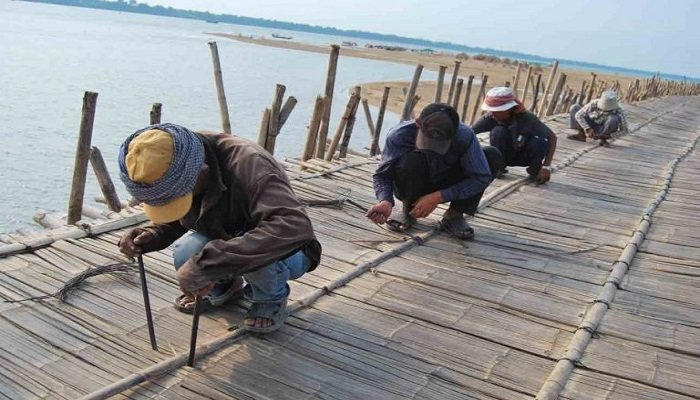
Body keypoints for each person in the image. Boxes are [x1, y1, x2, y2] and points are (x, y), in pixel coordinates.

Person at [117, 123, 321, 334]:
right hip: (224, 233)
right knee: (185, 251)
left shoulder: (251, 165)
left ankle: (270, 299)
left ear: (202, 172)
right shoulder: (183, 157)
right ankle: (224, 287)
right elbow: (180, 212)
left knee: (252, 258)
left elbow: (293, 227)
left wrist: (209, 263)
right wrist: (152, 234)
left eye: (176, 197)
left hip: (288, 249)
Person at [366, 103, 502, 241]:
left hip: (448, 180)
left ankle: (454, 215)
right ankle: (409, 210)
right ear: (418, 124)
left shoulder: (465, 136)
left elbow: (480, 178)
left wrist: (439, 196)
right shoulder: (399, 135)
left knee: (491, 156)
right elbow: (382, 174)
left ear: (454, 132)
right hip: (414, 181)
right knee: (410, 161)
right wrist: (385, 201)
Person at [472, 87, 557, 184]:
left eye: (496, 111)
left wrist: (546, 167)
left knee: (540, 143)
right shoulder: (490, 118)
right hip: (504, 155)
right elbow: (470, 133)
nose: (492, 114)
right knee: (498, 132)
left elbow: (552, 137)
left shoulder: (528, 118)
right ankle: (498, 168)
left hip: (524, 154)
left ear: (509, 109)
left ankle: (535, 170)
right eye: (491, 111)